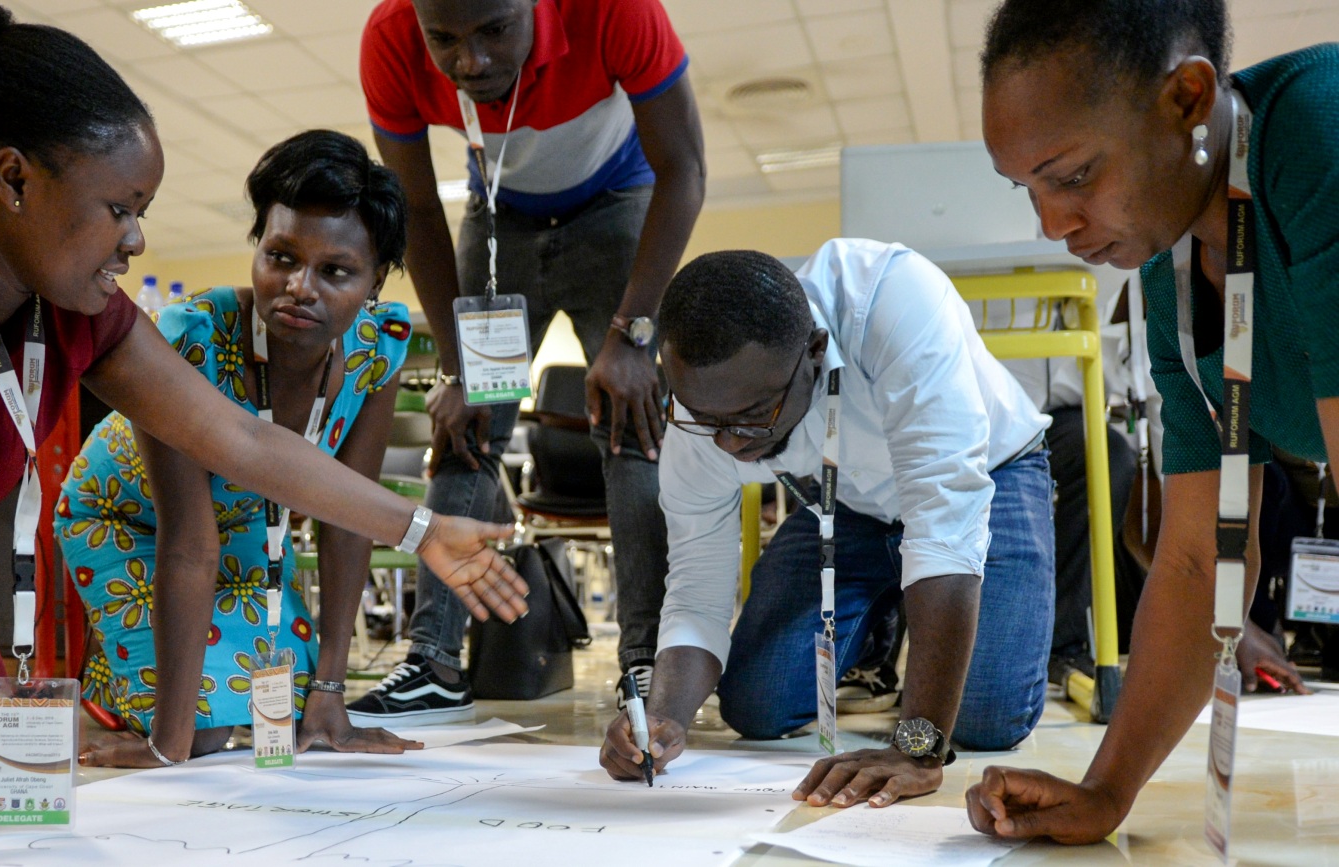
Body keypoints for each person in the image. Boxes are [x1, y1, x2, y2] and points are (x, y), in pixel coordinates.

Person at [0, 0, 526, 822]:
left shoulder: (72, 306)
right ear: (14, 178)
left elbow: (242, 438)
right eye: (121, 208)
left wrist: (422, 530)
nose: (136, 240)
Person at [970, 0, 1336, 843]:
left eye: (1071, 176)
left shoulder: (1318, 133)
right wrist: (1105, 791)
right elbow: (1190, 558)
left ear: (1186, 99)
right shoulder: (1170, 274)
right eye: (1028, 189)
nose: (1052, 225)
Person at [599, 243, 1056, 809]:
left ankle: (912, 618)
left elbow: (944, 531)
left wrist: (917, 746)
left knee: (987, 717)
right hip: (850, 507)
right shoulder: (706, 414)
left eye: (750, 417)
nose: (728, 442)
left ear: (815, 351)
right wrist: (663, 718)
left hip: (993, 471)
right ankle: (882, 629)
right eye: (704, 418)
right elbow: (695, 588)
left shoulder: (891, 300)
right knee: (757, 707)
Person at [350, 0, 705, 723]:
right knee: (467, 430)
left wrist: (635, 335)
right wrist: (457, 372)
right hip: (499, 218)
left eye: (493, 31)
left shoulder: (614, 11)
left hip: (621, 200)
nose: (469, 62)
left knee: (632, 429)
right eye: (443, 39)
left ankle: (643, 661)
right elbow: (418, 212)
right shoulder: (388, 39)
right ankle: (434, 662)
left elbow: (685, 168)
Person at [59, 130, 425, 767]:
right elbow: (188, 541)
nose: (299, 287)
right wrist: (168, 747)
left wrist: (333, 690)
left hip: (248, 537)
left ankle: (156, 691)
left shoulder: (382, 345)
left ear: (373, 285)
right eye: (281, 256)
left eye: (335, 271)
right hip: (129, 521)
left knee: (300, 712)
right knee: (204, 736)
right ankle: (128, 701)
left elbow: (350, 521)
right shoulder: (192, 336)